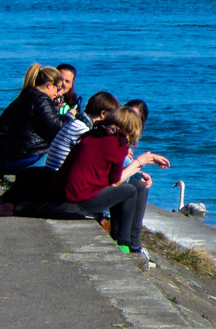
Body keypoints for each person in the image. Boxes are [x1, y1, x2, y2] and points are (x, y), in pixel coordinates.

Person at [62, 106, 168, 257]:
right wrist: (138, 162)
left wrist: (138, 167)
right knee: (128, 190)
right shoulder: (115, 142)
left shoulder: (98, 134)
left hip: (75, 192)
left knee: (136, 185)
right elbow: (116, 181)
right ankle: (123, 243)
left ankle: (131, 243)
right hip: (81, 198)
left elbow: (112, 174)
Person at [1, 64, 73, 172]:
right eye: (57, 88)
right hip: (29, 157)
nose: (57, 93)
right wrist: (70, 115)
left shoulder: (24, 96)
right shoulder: (41, 99)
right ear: (49, 85)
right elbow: (58, 128)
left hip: (11, 156)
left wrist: (54, 109)